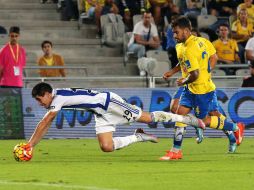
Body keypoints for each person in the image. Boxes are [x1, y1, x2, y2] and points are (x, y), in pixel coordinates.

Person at [24, 82, 206, 155]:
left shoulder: (58, 98)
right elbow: (46, 122)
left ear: (48, 94)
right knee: (106, 147)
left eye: (40, 99)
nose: (41, 103)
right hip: (100, 113)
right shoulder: (57, 96)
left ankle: (187, 119)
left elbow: (45, 122)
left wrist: (29, 145)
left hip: (110, 103)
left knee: (148, 118)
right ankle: (138, 136)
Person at [160, 16, 245, 160]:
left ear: (186, 31)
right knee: (179, 114)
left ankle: (235, 128)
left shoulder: (190, 48)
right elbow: (187, 62)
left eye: (176, 32)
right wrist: (172, 72)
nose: (174, 36)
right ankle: (176, 150)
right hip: (191, 87)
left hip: (201, 89)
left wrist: (185, 80)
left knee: (203, 121)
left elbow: (195, 73)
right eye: (173, 33)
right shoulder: (193, 43)